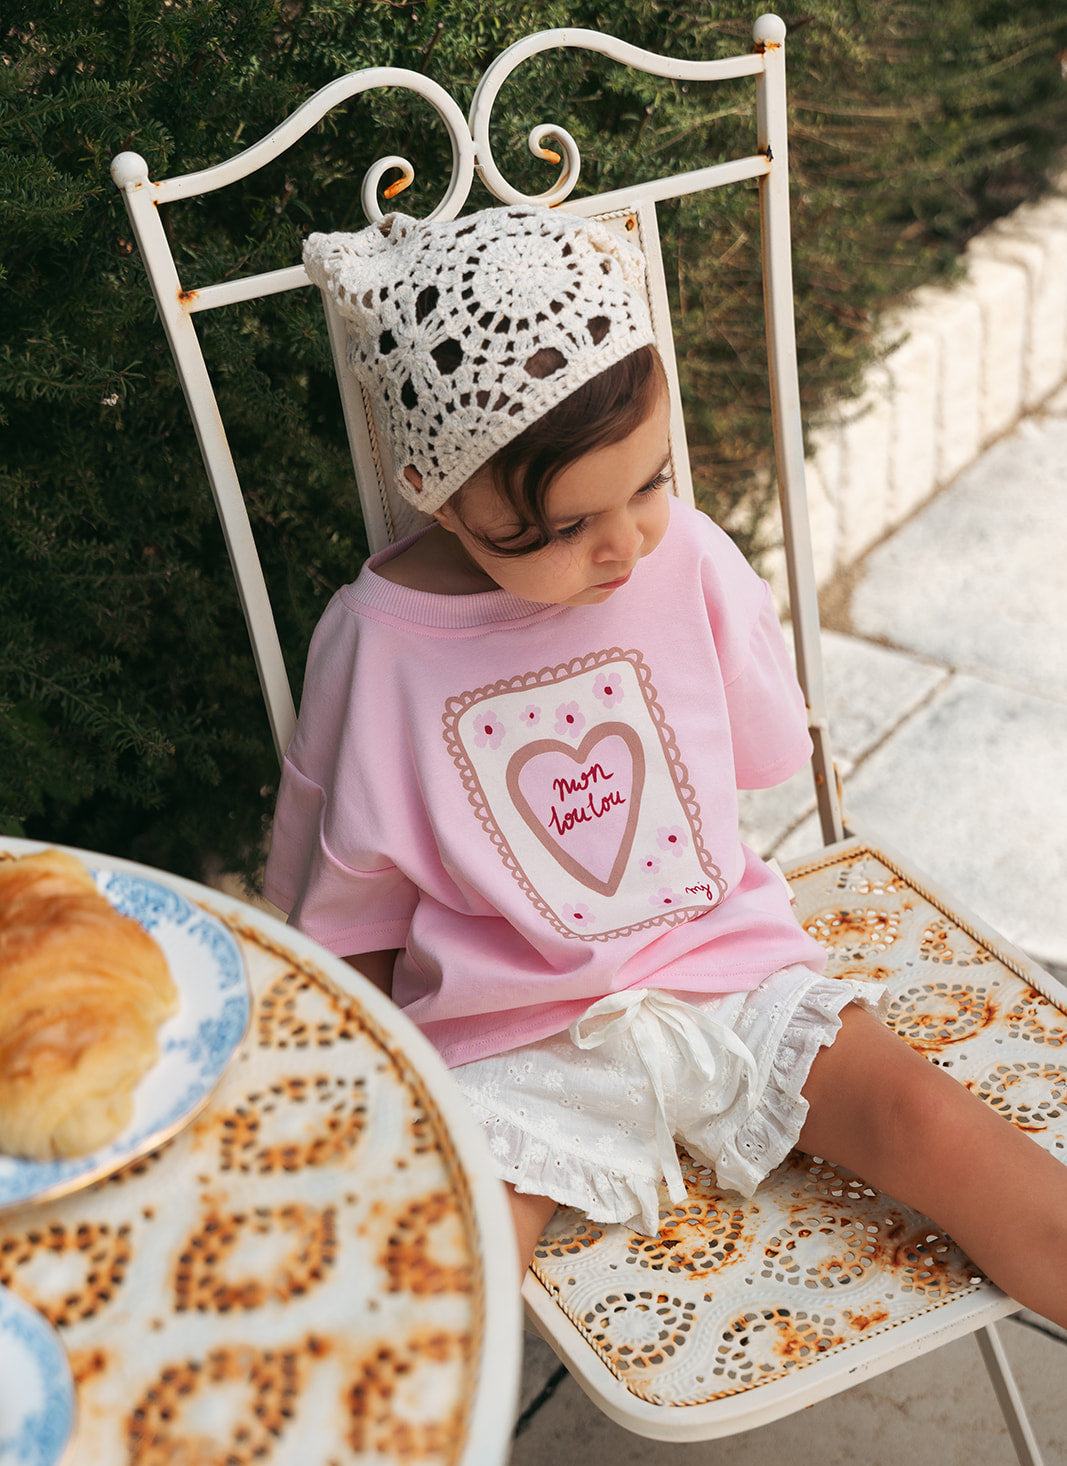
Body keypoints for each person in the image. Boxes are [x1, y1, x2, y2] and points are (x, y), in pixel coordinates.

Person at [265, 206, 1067, 1326]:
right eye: (562, 527)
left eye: (649, 482)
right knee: (452, 1278)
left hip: (725, 969)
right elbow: (345, 911)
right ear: (437, 494)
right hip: (513, 1035)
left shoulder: (681, 555)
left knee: (929, 1120)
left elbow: (764, 747)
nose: (624, 545)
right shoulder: (376, 646)